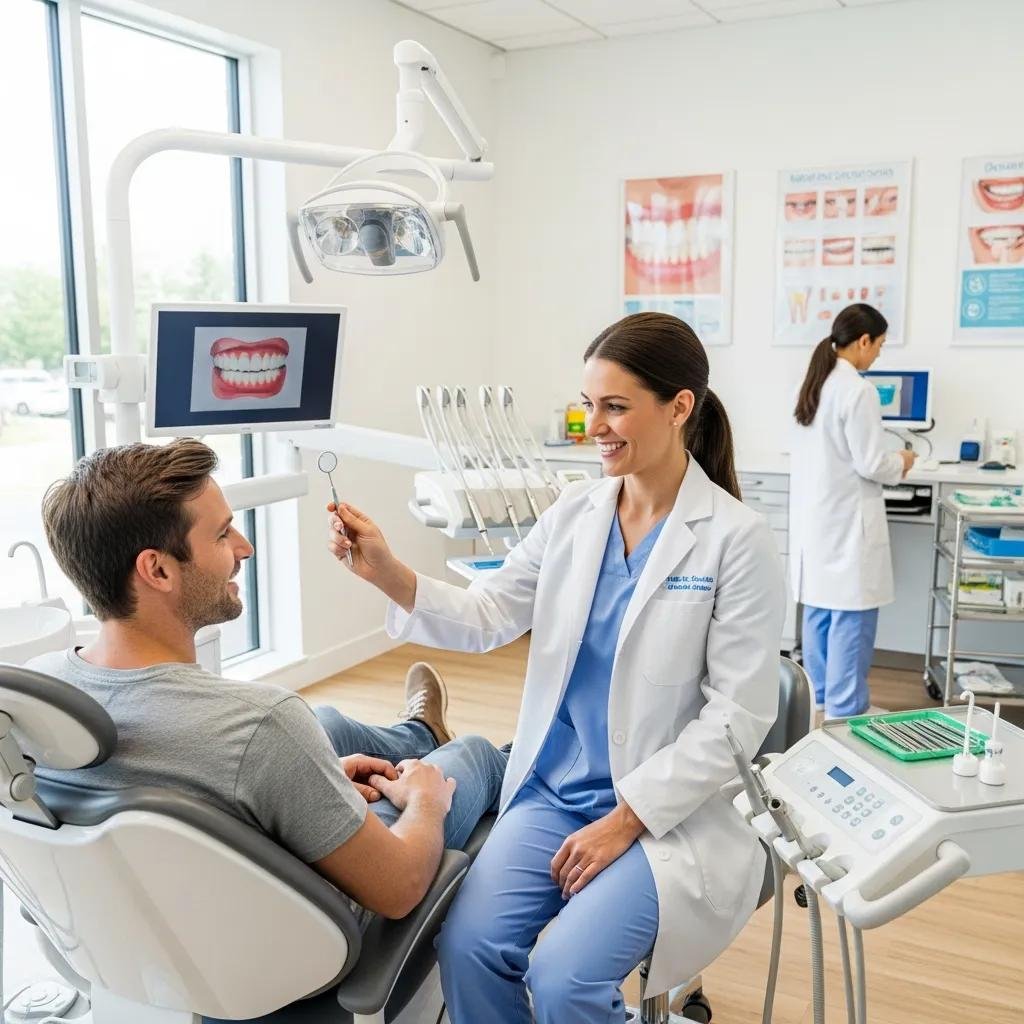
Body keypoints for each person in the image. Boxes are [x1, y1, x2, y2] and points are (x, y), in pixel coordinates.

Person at [326, 312, 786, 1022]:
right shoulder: (575, 512)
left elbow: (738, 718)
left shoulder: (734, 540)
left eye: (615, 407)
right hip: (553, 790)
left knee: (565, 977)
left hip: (664, 811)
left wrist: (627, 818)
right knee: (469, 948)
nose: (593, 425)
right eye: (588, 405)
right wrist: (387, 572)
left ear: (680, 407)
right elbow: (487, 615)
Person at [29, 439, 507, 938]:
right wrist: (428, 802)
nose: (245, 547)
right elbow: (398, 886)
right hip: (297, 944)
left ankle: (420, 731)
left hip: (154, 928)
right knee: (470, 756)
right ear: (158, 569)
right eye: (221, 535)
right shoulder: (262, 724)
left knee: (328, 725)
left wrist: (307, 781)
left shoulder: (36, 693)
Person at [790, 303, 916, 718]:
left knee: (820, 616)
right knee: (850, 619)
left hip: (819, 523)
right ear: (863, 341)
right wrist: (902, 460)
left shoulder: (814, 383)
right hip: (847, 526)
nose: (878, 354)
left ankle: (821, 703)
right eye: (878, 345)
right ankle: (846, 714)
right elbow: (871, 463)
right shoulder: (857, 390)